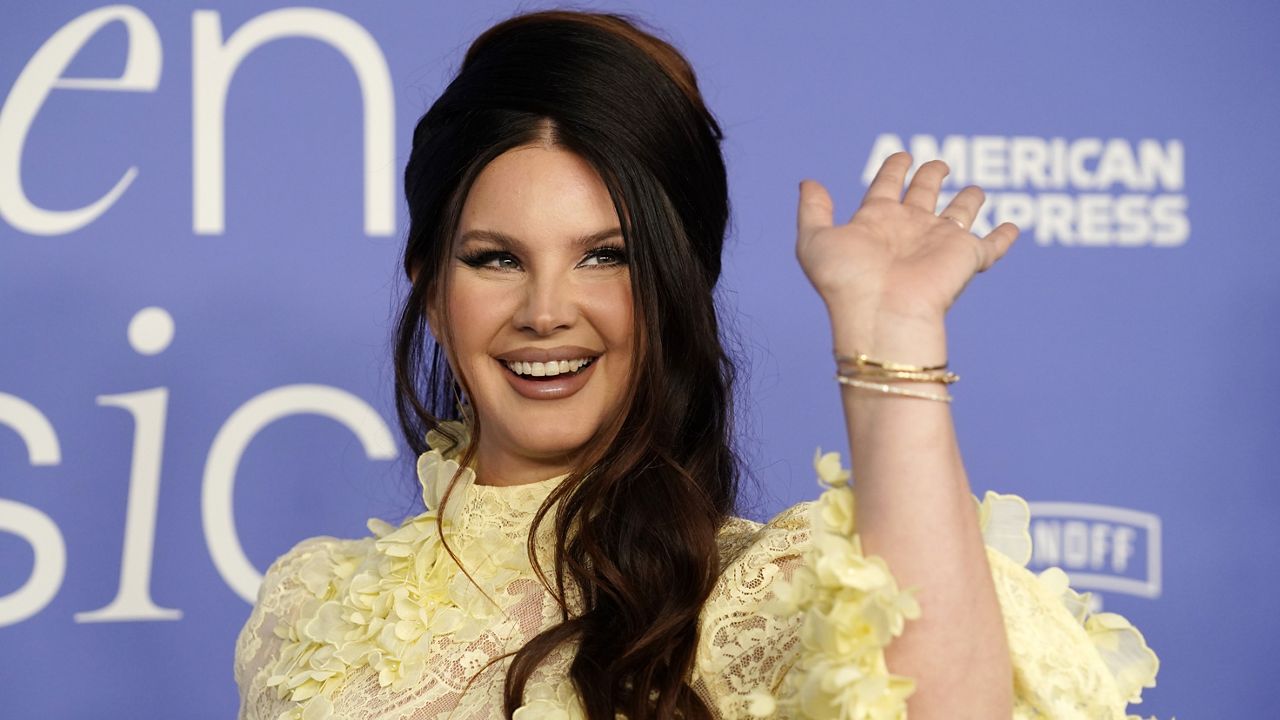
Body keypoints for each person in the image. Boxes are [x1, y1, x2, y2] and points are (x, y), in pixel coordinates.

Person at [234, 10, 1159, 720]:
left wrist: (895, 339)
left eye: (608, 255)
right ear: (433, 289)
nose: (547, 309)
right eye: (496, 258)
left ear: (678, 288)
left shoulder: (767, 593)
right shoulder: (311, 611)